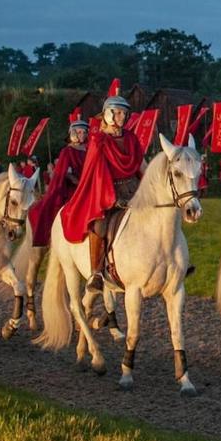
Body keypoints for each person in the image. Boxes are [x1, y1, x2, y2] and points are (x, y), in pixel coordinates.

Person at [60, 87, 145, 294]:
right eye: (117, 112)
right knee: (100, 225)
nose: (121, 117)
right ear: (107, 114)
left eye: (124, 113)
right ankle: (96, 273)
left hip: (134, 191)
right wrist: (111, 199)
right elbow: (96, 174)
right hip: (108, 194)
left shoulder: (132, 139)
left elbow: (142, 166)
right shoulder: (98, 141)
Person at [28, 110, 89, 249]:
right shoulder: (67, 151)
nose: (82, 135)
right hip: (72, 188)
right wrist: (79, 183)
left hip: (88, 185)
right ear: (72, 133)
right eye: (79, 132)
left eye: (84, 132)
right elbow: (64, 173)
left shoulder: (89, 149)